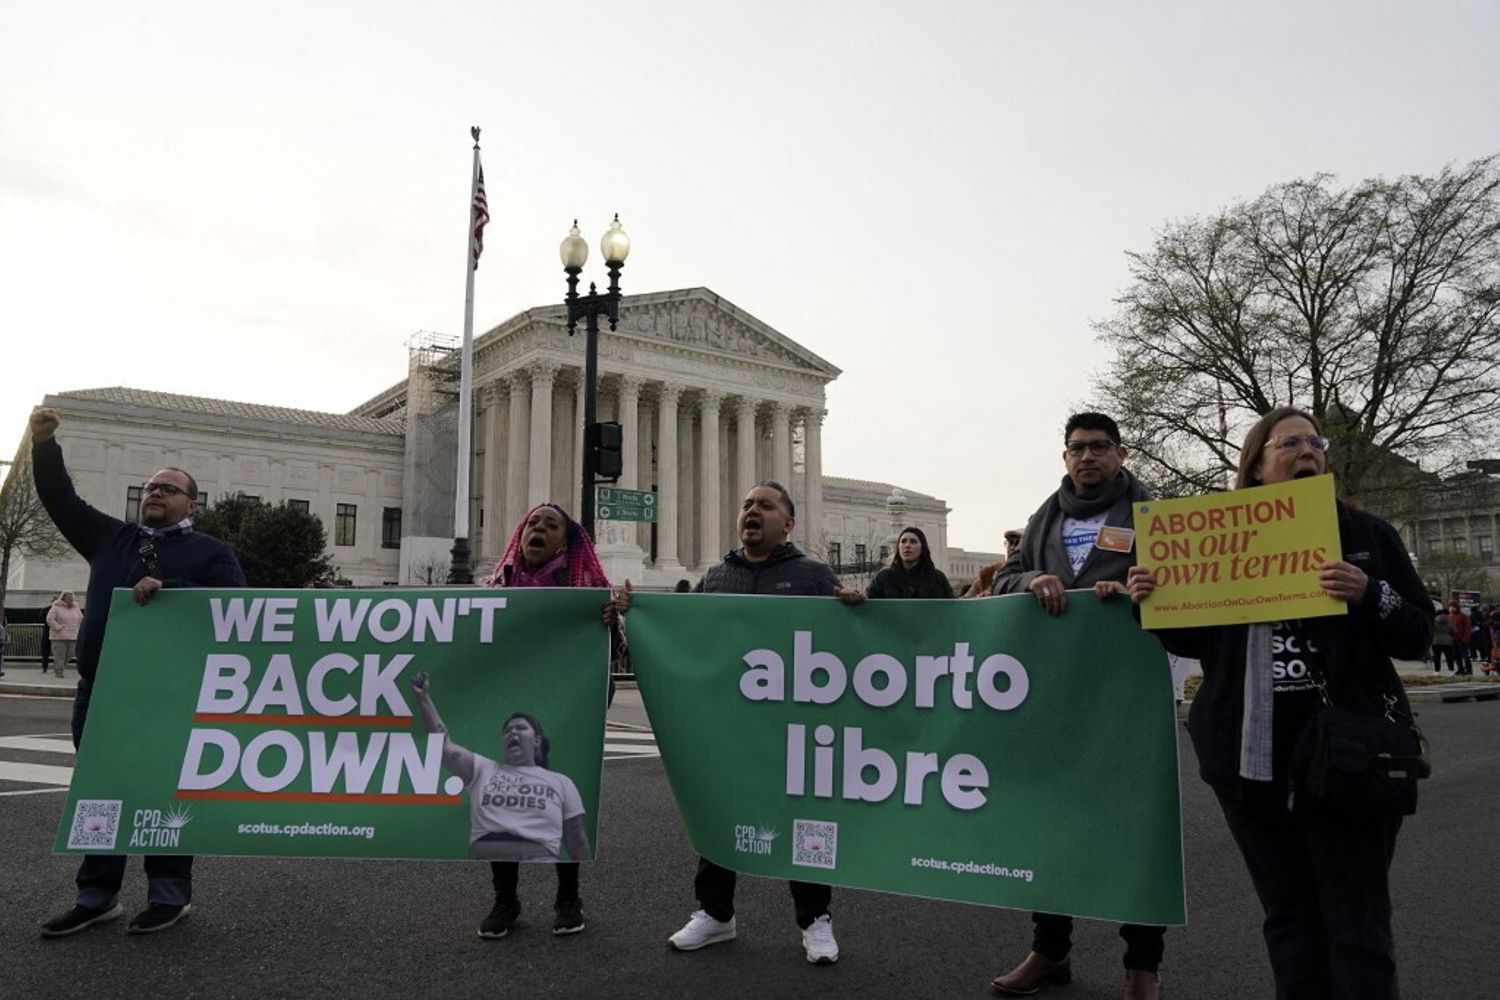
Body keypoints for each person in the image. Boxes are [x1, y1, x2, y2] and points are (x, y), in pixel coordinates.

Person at [1126, 406, 1429, 1000]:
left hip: (1348, 756)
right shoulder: (1217, 542)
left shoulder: (1368, 537)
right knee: (1289, 917)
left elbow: (1417, 633)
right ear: (1258, 467)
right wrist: (1151, 602)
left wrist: (1371, 594)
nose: (1308, 450)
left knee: (1357, 921)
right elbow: (1195, 642)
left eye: (1315, 442)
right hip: (1248, 758)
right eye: (1289, 442)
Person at [614, 481, 863, 965]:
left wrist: (852, 611)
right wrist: (637, 614)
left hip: (794, 726)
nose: (751, 511)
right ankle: (715, 913)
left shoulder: (813, 575)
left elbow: (844, 645)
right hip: (731, 725)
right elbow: (690, 638)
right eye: (747, 504)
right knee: (721, 812)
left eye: (765, 506)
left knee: (803, 819)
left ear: (787, 523)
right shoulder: (717, 575)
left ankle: (815, 919)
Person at [30, 406, 245, 937]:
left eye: (168, 489)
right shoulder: (110, 539)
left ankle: (169, 896)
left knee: (163, 793)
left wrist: (176, 594)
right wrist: (44, 444)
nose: (155, 493)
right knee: (101, 792)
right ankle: (96, 895)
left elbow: (238, 609)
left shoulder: (210, 552)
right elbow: (61, 499)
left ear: (191, 504)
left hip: (170, 699)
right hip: (100, 694)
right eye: (150, 486)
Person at [988, 412, 1163, 1000]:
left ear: (1120, 452)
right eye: (1076, 448)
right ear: (1065, 457)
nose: (1086, 456)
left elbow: (1186, 585)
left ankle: (1142, 965)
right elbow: (1002, 581)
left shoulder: (1152, 513)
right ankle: (1049, 950)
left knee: (1135, 833)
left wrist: (1138, 592)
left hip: (1127, 700)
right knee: (1051, 827)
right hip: (1055, 700)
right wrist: (1033, 578)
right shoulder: (1046, 515)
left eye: (1098, 447)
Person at [427, 502, 615, 939]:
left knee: (565, 803)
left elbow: (605, 662)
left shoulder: (584, 594)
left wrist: (610, 624)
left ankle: (568, 897)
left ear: (564, 542)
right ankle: (505, 900)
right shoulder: (498, 588)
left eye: (551, 526)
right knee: (501, 806)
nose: (539, 530)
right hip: (509, 714)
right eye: (533, 523)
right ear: (521, 533)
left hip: (563, 716)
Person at [866, 526, 955, 599]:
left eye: (913, 541)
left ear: (922, 548)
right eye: (903, 541)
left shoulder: (937, 578)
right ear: (898, 547)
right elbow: (867, 601)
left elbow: (953, 607)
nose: (907, 545)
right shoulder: (884, 578)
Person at [46, 591, 84, 679]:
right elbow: (50, 619)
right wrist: (58, 627)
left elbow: (81, 619)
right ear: (64, 598)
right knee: (60, 655)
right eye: (68, 598)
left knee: (70, 654)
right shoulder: (56, 607)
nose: (71, 600)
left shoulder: (76, 608)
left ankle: (60, 666)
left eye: (72, 598)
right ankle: (59, 672)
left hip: (73, 635)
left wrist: (79, 628)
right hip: (59, 636)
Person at [1448, 603, 1474, 676]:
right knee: (1456, 656)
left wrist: (1465, 638)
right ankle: (1460, 669)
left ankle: (1469, 670)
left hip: (1462, 640)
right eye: (1450, 607)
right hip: (1453, 639)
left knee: (1465, 655)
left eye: (1453, 607)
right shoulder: (1450, 616)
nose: (1451, 608)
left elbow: (1467, 628)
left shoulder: (1463, 616)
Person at [1430, 607, 1456, 674]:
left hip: (1436, 641)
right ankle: (1451, 671)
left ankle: (1436, 671)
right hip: (1448, 642)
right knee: (1449, 657)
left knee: (1437, 657)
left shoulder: (1434, 622)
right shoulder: (1449, 622)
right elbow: (1454, 631)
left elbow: (1430, 631)